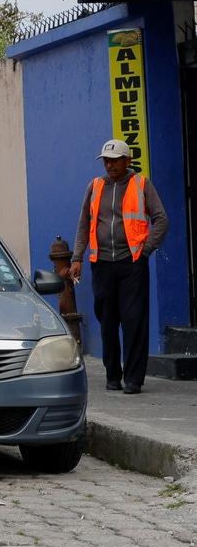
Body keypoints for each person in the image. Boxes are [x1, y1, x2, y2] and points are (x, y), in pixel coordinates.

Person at [69, 139, 168, 394]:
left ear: (128, 161)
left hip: (132, 263)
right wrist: (77, 258)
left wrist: (146, 250)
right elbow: (83, 225)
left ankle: (134, 379)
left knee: (134, 320)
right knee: (107, 320)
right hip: (102, 265)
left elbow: (161, 220)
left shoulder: (142, 185)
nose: (110, 165)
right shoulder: (95, 186)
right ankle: (112, 375)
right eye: (106, 160)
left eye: (114, 160)